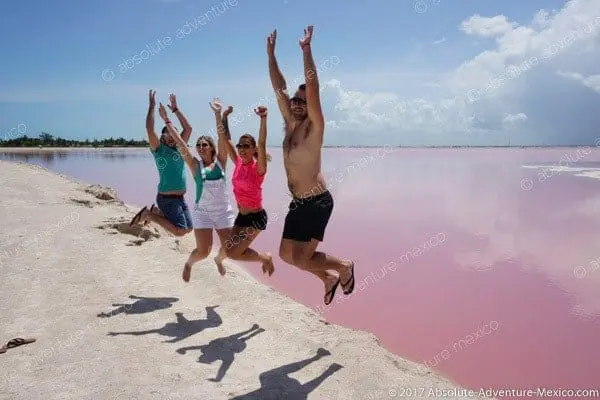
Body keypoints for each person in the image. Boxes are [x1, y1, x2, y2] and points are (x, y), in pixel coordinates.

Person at [267, 25, 355, 305]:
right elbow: (278, 87)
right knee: (285, 255)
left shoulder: (314, 127)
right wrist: (271, 54)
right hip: (298, 203)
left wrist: (306, 50)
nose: (297, 104)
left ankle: (343, 266)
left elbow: (312, 86)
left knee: (303, 258)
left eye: (303, 101)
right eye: (295, 100)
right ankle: (328, 278)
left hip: (317, 202)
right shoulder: (290, 126)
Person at [157, 99, 236, 282]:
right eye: (198, 145)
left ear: (211, 148)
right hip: (204, 213)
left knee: (230, 248)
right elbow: (180, 143)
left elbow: (222, 137)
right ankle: (188, 264)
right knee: (203, 251)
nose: (200, 147)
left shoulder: (221, 162)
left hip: (224, 211)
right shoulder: (194, 165)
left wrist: (218, 115)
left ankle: (219, 260)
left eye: (204, 144)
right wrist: (167, 120)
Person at [212, 102, 275, 277]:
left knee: (233, 253)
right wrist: (223, 116)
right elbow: (226, 139)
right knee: (228, 248)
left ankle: (265, 258)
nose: (241, 149)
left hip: (256, 218)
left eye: (246, 146)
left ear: (253, 149)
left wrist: (263, 118)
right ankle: (219, 260)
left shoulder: (258, 169)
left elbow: (262, 143)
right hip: (242, 216)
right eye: (240, 146)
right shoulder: (238, 162)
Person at [130, 90, 193, 237]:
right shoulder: (159, 150)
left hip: (180, 198)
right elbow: (149, 129)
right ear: (162, 137)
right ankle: (149, 215)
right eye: (167, 135)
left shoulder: (180, 148)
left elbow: (188, 128)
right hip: (167, 198)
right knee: (180, 231)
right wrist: (151, 107)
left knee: (189, 228)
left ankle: (157, 212)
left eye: (174, 134)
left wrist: (176, 110)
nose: (171, 137)